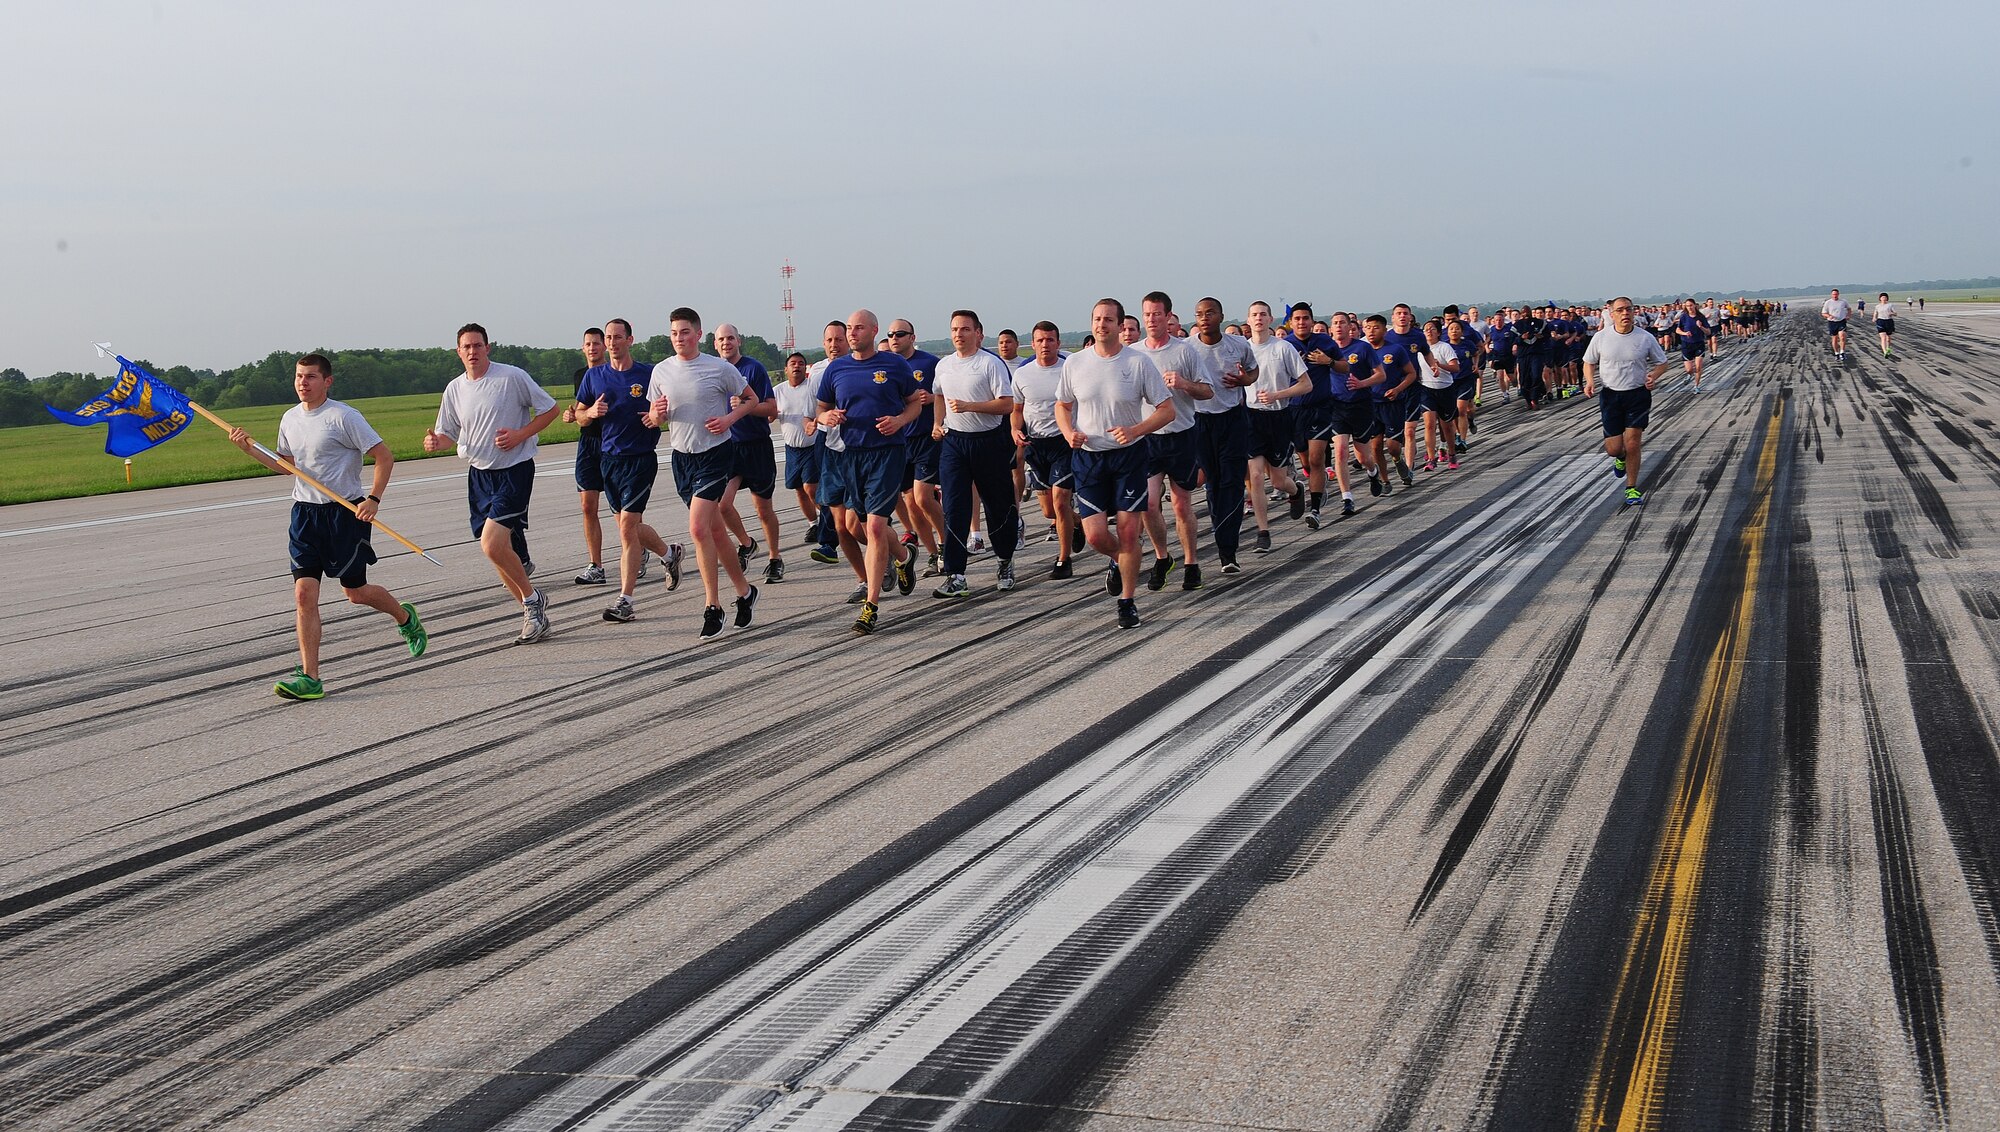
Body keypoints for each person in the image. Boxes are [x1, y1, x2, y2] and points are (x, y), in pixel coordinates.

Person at [229, 353, 425, 699]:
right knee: (304, 594)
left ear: (327, 381)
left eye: (311, 377)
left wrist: (374, 500)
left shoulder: (344, 417)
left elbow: (384, 456)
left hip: (345, 514)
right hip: (304, 515)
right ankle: (311, 677)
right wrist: (249, 450)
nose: (303, 383)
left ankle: (404, 617)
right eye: (299, 376)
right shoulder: (289, 419)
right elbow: (287, 466)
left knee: (355, 593)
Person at [424, 323, 560, 643]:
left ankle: (532, 602)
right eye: (466, 347)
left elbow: (550, 409)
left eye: (477, 345)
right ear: (458, 352)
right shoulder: (455, 389)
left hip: (514, 469)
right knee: (495, 552)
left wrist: (520, 435)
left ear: (488, 347)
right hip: (479, 474)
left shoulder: (511, 377)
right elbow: (448, 434)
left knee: (492, 544)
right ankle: (532, 609)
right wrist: (436, 443)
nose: (472, 352)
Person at [1056, 298, 1177, 629]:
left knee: (1126, 530)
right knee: (1095, 536)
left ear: (1121, 325)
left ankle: (1127, 600)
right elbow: (1063, 405)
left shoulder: (1137, 363)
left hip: (1129, 456)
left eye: (1109, 320)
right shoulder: (1075, 363)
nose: (1102, 325)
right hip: (1089, 457)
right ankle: (1121, 560)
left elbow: (1167, 410)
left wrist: (1136, 429)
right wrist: (1068, 432)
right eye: (1097, 319)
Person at [642, 307, 761, 640]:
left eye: (685, 332)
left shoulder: (718, 368)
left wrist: (727, 420)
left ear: (698, 334)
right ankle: (745, 592)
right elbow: (655, 417)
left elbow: (750, 400)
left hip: (715, 455)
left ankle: (713, 606)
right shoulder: (661, 371)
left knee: (697, 528)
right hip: (682, 458)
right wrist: (657, 414)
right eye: (674, 333)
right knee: (716, 533)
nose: (679, 338)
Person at [817, 308, 926, 634]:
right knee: (852, 526)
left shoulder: (893, 364)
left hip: (887, 454)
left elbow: (915, 402)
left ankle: (871, 606)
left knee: (876, 527)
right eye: (849, 328)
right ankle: (904, 558)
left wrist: (900, 421)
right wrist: (827, 418)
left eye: (859, 328)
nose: (852, 333)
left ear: (874, 330)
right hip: (852, 456)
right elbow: (820, 409)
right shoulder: (837, 368)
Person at [576, 318, 683, 624]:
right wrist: (591, 413)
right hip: (609, 460)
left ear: (630, 340)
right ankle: (669, 554)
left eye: (617, 337)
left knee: (626, 529)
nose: (611, 342)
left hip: (640, 459)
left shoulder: (648, 373)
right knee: (630, 528)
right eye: (608, 337)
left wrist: (656, 415)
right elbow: (579, 414)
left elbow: (667, 406)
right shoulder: (594, 376)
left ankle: (626, 601)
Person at [931, 309, 1022, 597]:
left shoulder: (990, 364)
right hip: (955, 443)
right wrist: (937, 423)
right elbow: (938, 395)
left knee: (998, 506)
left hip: (989, 442)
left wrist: (971, 406)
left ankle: (1004, 560)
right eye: (955, 329)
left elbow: (1006, 404)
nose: (959, 334)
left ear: (978, 334)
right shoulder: (944, 366)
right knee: (955, 508)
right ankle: (956, 575)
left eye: (965, 329)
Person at [1131, 291, 1215, 591]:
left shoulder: (1185, 351)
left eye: (1157, 314)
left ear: (1169, 317)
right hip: (1148, 437)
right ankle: (1162, 556)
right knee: (1149, 505)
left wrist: (1184, 384)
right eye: (1147, 314)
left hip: (1182, 435)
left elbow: (1208, 392)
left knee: (1181, 505)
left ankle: (1192, 561)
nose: (1152, 320)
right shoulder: (1134, 354)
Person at [1186, 296, 1257, 573]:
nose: (1204, 318)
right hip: (1200, 421)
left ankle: (1228, 550)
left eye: (1210, 313)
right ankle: (1220, 533)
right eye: (1199, 313)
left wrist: (1245, 380)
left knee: (1232, 481)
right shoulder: (1187, 349)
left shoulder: (1237, 344)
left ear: (1221, 316)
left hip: (1233, 419)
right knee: (1212, 484)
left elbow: (1253, 370)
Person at [1582, 297, 1672, 507]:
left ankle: (1631, 488)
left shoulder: (1645, 338)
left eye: (1629, 310)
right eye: (1620, 310)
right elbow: (1588, 361)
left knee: (1633, 442)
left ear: (1633, 313)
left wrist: (1654, 376)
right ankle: (1619, 457)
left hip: (1637, 395)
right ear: (1611, 314)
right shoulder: (1601, 337)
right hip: (1611, 396)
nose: (1625, 314)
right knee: (1614, 448)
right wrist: (1589, 381)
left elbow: (1662, 363)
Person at [714, 324, 784, 583]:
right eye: (721, 339)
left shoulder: (753, 368)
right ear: (715, 344)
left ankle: (775, 558)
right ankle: (746, 543)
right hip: (728, 447)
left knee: (763, 509)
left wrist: (746, 407)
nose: (726, 343)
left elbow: (771, 409)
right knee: (722, 504)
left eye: (730, 338)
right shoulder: (713, 369)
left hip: (756, 445)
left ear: (739, 341)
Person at [1012, 320, 1080, 578]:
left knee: (1060, 502)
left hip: (1063, 443)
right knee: (1048, 510)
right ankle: (1080, 525)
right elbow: (1017, 411)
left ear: (1058, 343)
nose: (1045, 345)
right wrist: (1014, 430)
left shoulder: (1068, 369)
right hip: (1035, 445)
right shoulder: (1022, 374)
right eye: (1040, 340)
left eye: (1050, 340)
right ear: (1032, 344)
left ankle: (1063, 560)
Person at [1244, 299, 1310, 553]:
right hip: (1252, 417)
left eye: (1262, 314)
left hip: (1279, 417)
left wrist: (1278, 394)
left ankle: (1296, 490)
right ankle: (1263, 531)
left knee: (1279, 481)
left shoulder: (1283, 348)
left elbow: (1306, 384)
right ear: (1248, 321)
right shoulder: (1242, 349)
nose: (1258, 319)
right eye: (1253, 315)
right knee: (1257, 477)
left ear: (1270, 320)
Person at [885, 319, 946, 574]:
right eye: (890, 334)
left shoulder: (930, 363)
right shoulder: (886, 366)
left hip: (926, 437)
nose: (895, 338)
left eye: (900, 334)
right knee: (910, 503)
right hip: (900, 441)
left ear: (912, 337)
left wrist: (931, 399)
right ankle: (932, 552)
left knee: (923, 497)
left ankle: (948, 543)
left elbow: (946, 394)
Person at [563, 327, 616, 585]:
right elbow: (582, 412)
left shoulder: (613, 373)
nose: (593, 348)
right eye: (588, 344)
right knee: (587, 506)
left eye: (597, 343)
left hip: (613, 444)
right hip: (588, 444)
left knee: (621, 510)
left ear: (604, 347)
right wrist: (573, 416)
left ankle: (637, 550)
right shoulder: (580, 376)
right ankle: (596, 565)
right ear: (583, 348)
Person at [773, 351, 823, 578]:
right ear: (786, 369)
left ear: (806, 368)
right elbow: (769, 414)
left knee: (811, 487)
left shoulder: (811, 387)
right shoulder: (779, 391)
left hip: (811, 446)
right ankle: (813, 523)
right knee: (798, 489)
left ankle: (829, 517)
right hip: (791, 448)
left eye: (801, 364)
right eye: (793, 364)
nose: (797, 367)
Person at [1676, 298, 1710, 391]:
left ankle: (1696, 386)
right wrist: (1685, 333)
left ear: (1695, 305)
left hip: (1699, 343)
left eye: (1691, 305)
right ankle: (1689, 374)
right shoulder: (1684, 317)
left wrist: (1701, 326)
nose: (1689, 307)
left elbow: (1708, 332)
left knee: (1698, 366)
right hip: (1687, 344)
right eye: (1687, 306)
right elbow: (1677, 330)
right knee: (1689, 369)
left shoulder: (1701, 317)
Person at [1822, 289, 1851, 360]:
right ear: (1831, 295)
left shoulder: (1843, 302)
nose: (1835, 296)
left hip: (1841, 321)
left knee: (1842, 337)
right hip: (1832, 322)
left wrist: (1848, 315)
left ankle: (1842, 352)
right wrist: (1829, 316)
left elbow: (1849, 309)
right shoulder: (1828, 302)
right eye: (1833, 294)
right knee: (1834, 339)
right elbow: (1823, 313)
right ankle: (1836, 353)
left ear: (1838, 294)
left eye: (1836, 294)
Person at [1875, 292, 1897, 358]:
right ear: (1880, 298)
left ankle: (1888, 348)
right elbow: (1875, 313)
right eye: (1882, 297)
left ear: (1887, 298)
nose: (1884, 298)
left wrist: (1892, 314)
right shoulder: (1877, 306)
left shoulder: (1890, 305)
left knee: (1888, 338)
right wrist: (1874, 318)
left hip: (1889, 321)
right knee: (1883, 337)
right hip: (1880, 321)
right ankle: (1884, 352)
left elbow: (1895, 313)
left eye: (1885, 297)